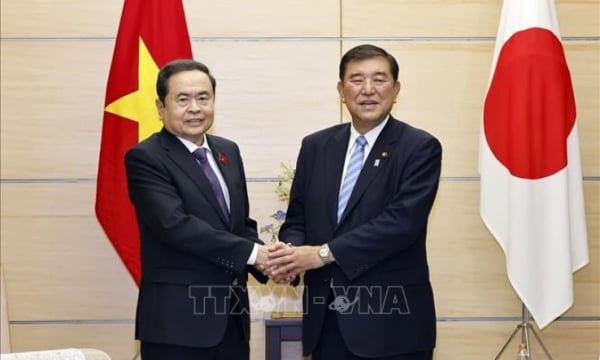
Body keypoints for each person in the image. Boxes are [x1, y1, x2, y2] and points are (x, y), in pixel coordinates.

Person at [267, 44, 442, 360]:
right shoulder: (316, 146)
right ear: (341, 90)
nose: (368, 90)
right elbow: (298, 219)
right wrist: (289, 256)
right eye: (357, 79)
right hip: (326, 321)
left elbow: (401, 224)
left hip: (392, 324)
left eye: (379, 79)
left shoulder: (419, 148)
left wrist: (322, 254)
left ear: (396, 88)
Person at [124, 59, 270, 360]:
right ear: (160, 107)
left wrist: (272, 260)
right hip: (177, 326)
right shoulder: (145, 157)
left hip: (231, 319)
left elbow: (239, 225)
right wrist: (254, 255)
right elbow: (175, 225)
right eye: (182, 99)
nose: (195, 107)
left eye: (203, 97)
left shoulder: (227, 150)